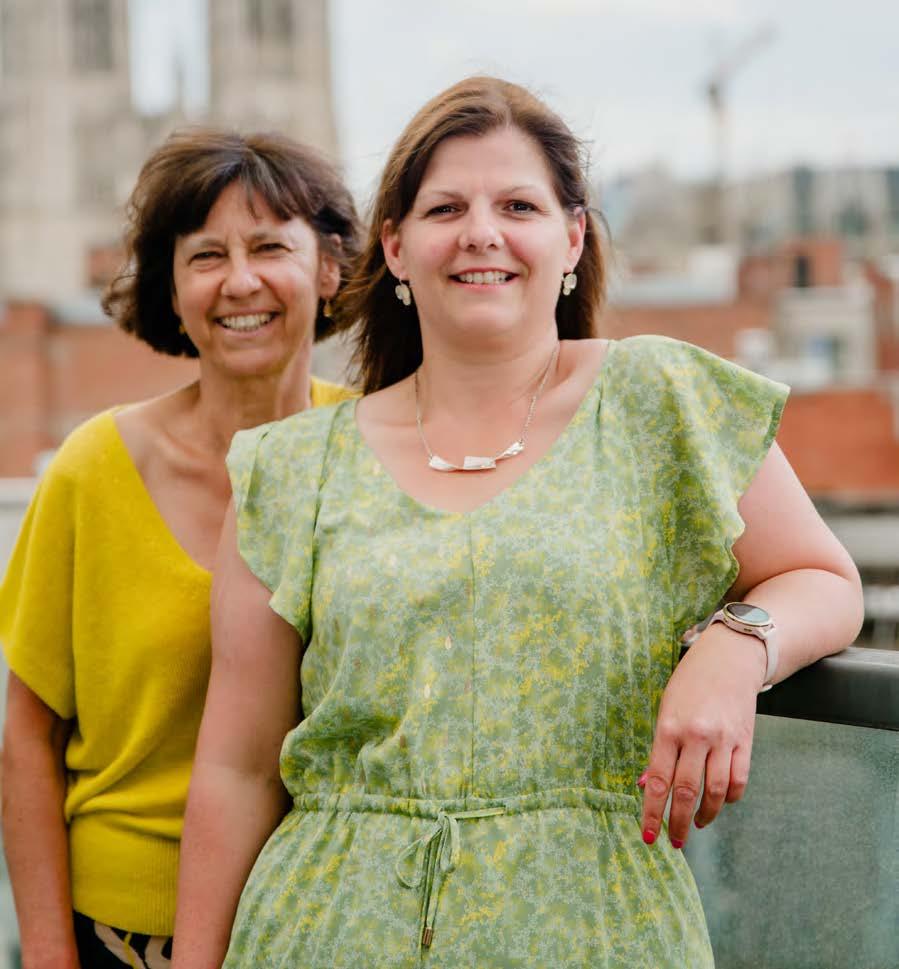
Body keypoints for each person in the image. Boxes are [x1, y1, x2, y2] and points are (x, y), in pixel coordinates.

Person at [173, 78, 863, 968]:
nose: (480, 232)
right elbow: (235, 771)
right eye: (445, 208)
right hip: (324, 933)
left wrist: (735, 645)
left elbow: (824, 579)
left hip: (597, 932)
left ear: (571, 237)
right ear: (396, 246)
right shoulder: (289, 470)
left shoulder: (659, 400)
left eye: (517, 205)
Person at [0, 128, 360, 969]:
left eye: (269, 247)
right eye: (206, 256)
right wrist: (49, 954)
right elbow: (26, 739)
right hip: (126, 935)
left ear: (329, 268)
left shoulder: (379, 451)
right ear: (172, 287)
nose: (240, 282)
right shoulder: (93, 469)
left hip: (332, 924)